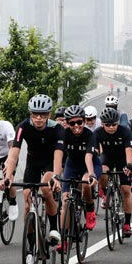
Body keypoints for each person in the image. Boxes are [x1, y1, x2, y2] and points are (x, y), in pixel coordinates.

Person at [2, 94, 64, 264]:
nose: (38, 118)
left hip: (50, 162)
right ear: (30, 113)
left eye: (42, 115)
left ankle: (53, 228)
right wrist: (8, 176)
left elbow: (59, 155)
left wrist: (56, 176)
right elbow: (14, 153)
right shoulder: (23, 127)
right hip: (33, 163)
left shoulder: (57, 129)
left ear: (49, 115)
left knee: (46, 189)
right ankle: (30, 250)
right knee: (28, 202)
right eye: (35, 114)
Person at [54, 105, 100, 244]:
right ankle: (64, 238)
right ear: (67, 123)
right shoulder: (64, 134)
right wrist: (56, 174)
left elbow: (88, 158)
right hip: (71, 165)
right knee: (65, 201)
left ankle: (90, 210)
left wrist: (91, 174)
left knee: (86, 183)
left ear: (84, 121)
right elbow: (59, 153)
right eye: (72, 123)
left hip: (90, 165)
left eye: (79, 122)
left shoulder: (90, 135)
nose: (76, 126)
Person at [95, 107, 132, 236]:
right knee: (102, 170)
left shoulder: (125, 131)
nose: (111, 127)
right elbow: (95, 153)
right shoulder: (97, 133)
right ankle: (106, 192)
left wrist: (129, 165)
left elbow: (129, 150)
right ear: (102, 124)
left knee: (125, 190)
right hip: (107, 157)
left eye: (114, 124)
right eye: (108, 125)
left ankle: (127, 223)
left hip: (122, 159)